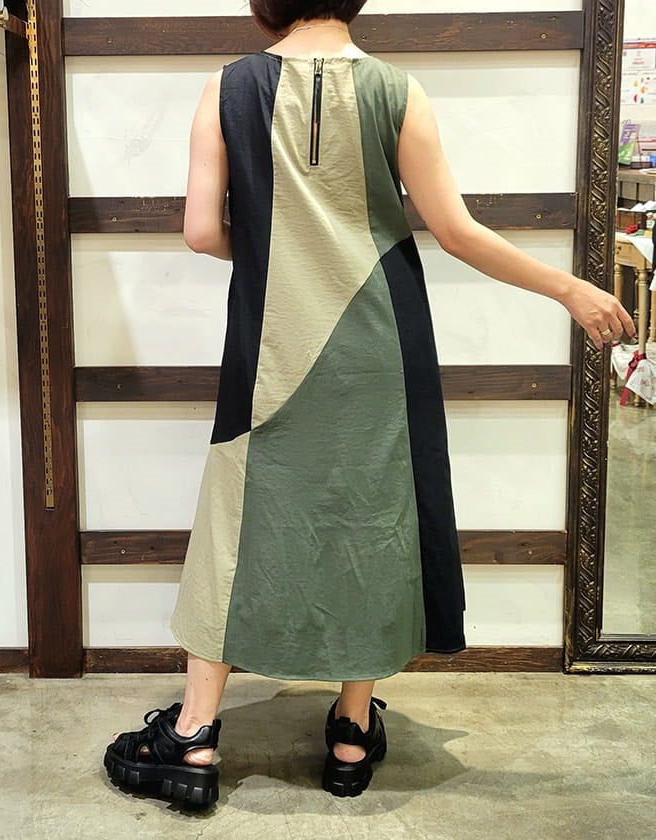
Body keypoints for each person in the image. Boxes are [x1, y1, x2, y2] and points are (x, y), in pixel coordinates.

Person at [104, 0, 635, 809]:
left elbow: (202, 232)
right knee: (372, 511)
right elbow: (455, 231)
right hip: (382, 337)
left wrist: (278, 248)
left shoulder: (227, 88)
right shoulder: (397, 89)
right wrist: (569, 288)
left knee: (237, 510)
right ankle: (351, 735)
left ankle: (194, 736)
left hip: (272, 340)